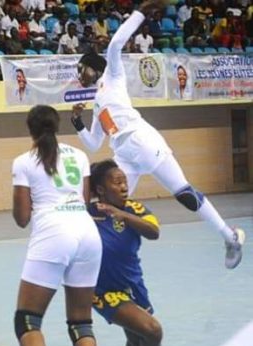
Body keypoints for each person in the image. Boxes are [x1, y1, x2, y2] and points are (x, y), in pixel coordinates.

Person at [71, 0, 245, 269]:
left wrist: (141, 10)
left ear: (94, 67)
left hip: (142, 141)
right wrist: (77, 123)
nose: (79, 75)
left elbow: (116, 44)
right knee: (108, 203)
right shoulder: (97, 105)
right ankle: (98, 256)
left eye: (81, 69)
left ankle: (230, 236)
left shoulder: (113, 78)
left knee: (184, 194)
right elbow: (94, 144)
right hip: (124, 156)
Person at [12, 105, 102, 346]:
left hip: (53, 233)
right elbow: (85, 202)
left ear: (30, 129)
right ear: (57, 125)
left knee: (27, 320)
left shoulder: (24, 161)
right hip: (87, 235)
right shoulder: (80, 156)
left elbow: (22, 218)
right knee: (81, 322)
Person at [88, 160, 174, 346]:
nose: (124, 186)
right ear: (100, 189)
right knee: (152, 330)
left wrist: (122, 215)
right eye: (117, 182)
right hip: (103, 292)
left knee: (136, 338)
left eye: (125, 181)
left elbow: (153, 231)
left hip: (133, 285)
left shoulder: (134, 209)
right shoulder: (88, 214)